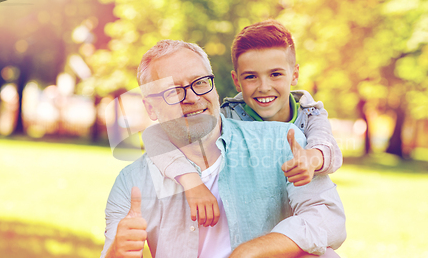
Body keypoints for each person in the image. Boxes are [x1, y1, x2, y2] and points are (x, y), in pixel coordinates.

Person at [86, 39, 352, 258]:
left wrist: (249, 254)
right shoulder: (134, 181)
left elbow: (329, 219)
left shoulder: (281, 142)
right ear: (151, 108)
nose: (191, 97)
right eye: (172, 91)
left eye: (199, 82)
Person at [142, 20, 342, 228]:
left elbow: (327, 146)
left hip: (297, 218)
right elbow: (154, 136)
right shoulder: (229, 115)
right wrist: (191, 181)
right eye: (251, 77)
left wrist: (312, 159)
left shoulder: (310, 114)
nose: (264, 87)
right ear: (237, 81)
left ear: (295, 75)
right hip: (252, 222)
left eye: (275, 74)